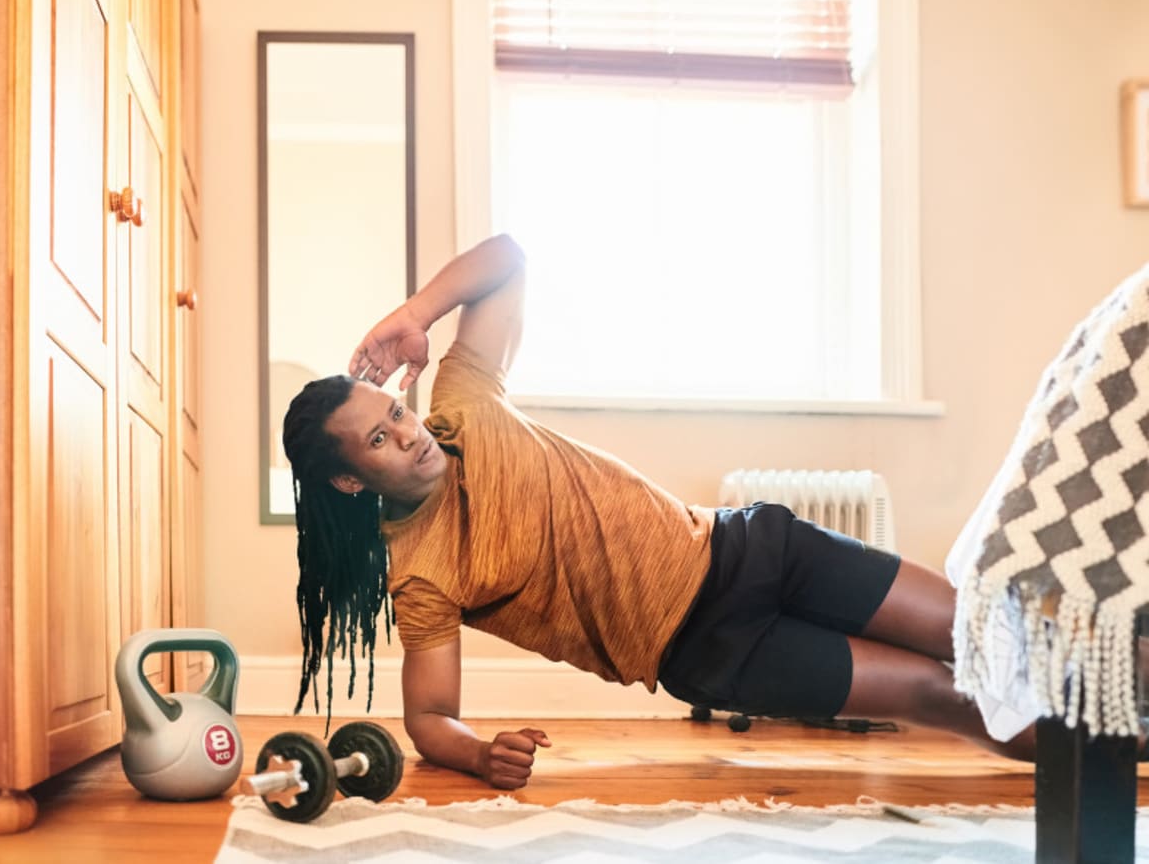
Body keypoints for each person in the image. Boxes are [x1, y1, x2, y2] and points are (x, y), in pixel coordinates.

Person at [281, 233, 1037, 791]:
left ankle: (1104, 699)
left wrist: (415, 313)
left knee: (978, 624)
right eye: (377, 440)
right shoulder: (422, 574)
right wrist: (480, 753)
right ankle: (1099, 762)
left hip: (751, 546)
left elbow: (508, 258)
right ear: (350, 482)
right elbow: (428, 717)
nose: (407, 434)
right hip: (712, 649)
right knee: (940, 693)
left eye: (394, 411)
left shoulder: (465, 406)